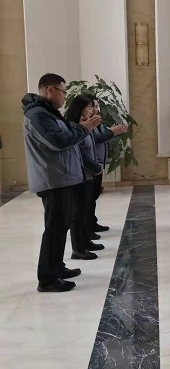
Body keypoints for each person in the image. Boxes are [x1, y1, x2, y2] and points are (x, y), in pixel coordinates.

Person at [22, 73, 101, 292]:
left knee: (61, 226)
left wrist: (81, 129)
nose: (65, 97)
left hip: (62, 178)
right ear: (50, 90)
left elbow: (67, 137)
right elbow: (58, 142)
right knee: (54, 229)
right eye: (63, 92)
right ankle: (47, 279)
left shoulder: (49, 113)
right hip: (53, 179)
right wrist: (85, 129)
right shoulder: (37, 114)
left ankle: (57, 267)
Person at [64, 95, 105, 260]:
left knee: (85, 210)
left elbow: (91, 148)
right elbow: (82, 152)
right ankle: (78, 249)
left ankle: (85, 242)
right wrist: (95, 167)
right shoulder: (74, 127)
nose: (92, 110)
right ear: (79, 109)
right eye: (89, 107)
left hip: (88, 175)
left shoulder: (85, 127)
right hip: (80, 176)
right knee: (78, 213)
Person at [88, 94, 127, 233]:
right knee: (89, 198)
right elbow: (94, 139)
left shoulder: (96, 122)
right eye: (93, 106)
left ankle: (92, 223)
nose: (96, 109)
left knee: (94, 196)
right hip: (91, 165)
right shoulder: (86, 124)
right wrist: (111, 133)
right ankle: (87, 227)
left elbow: (101, 138)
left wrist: (113, 132)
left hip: (98, 164)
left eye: (97, 106)